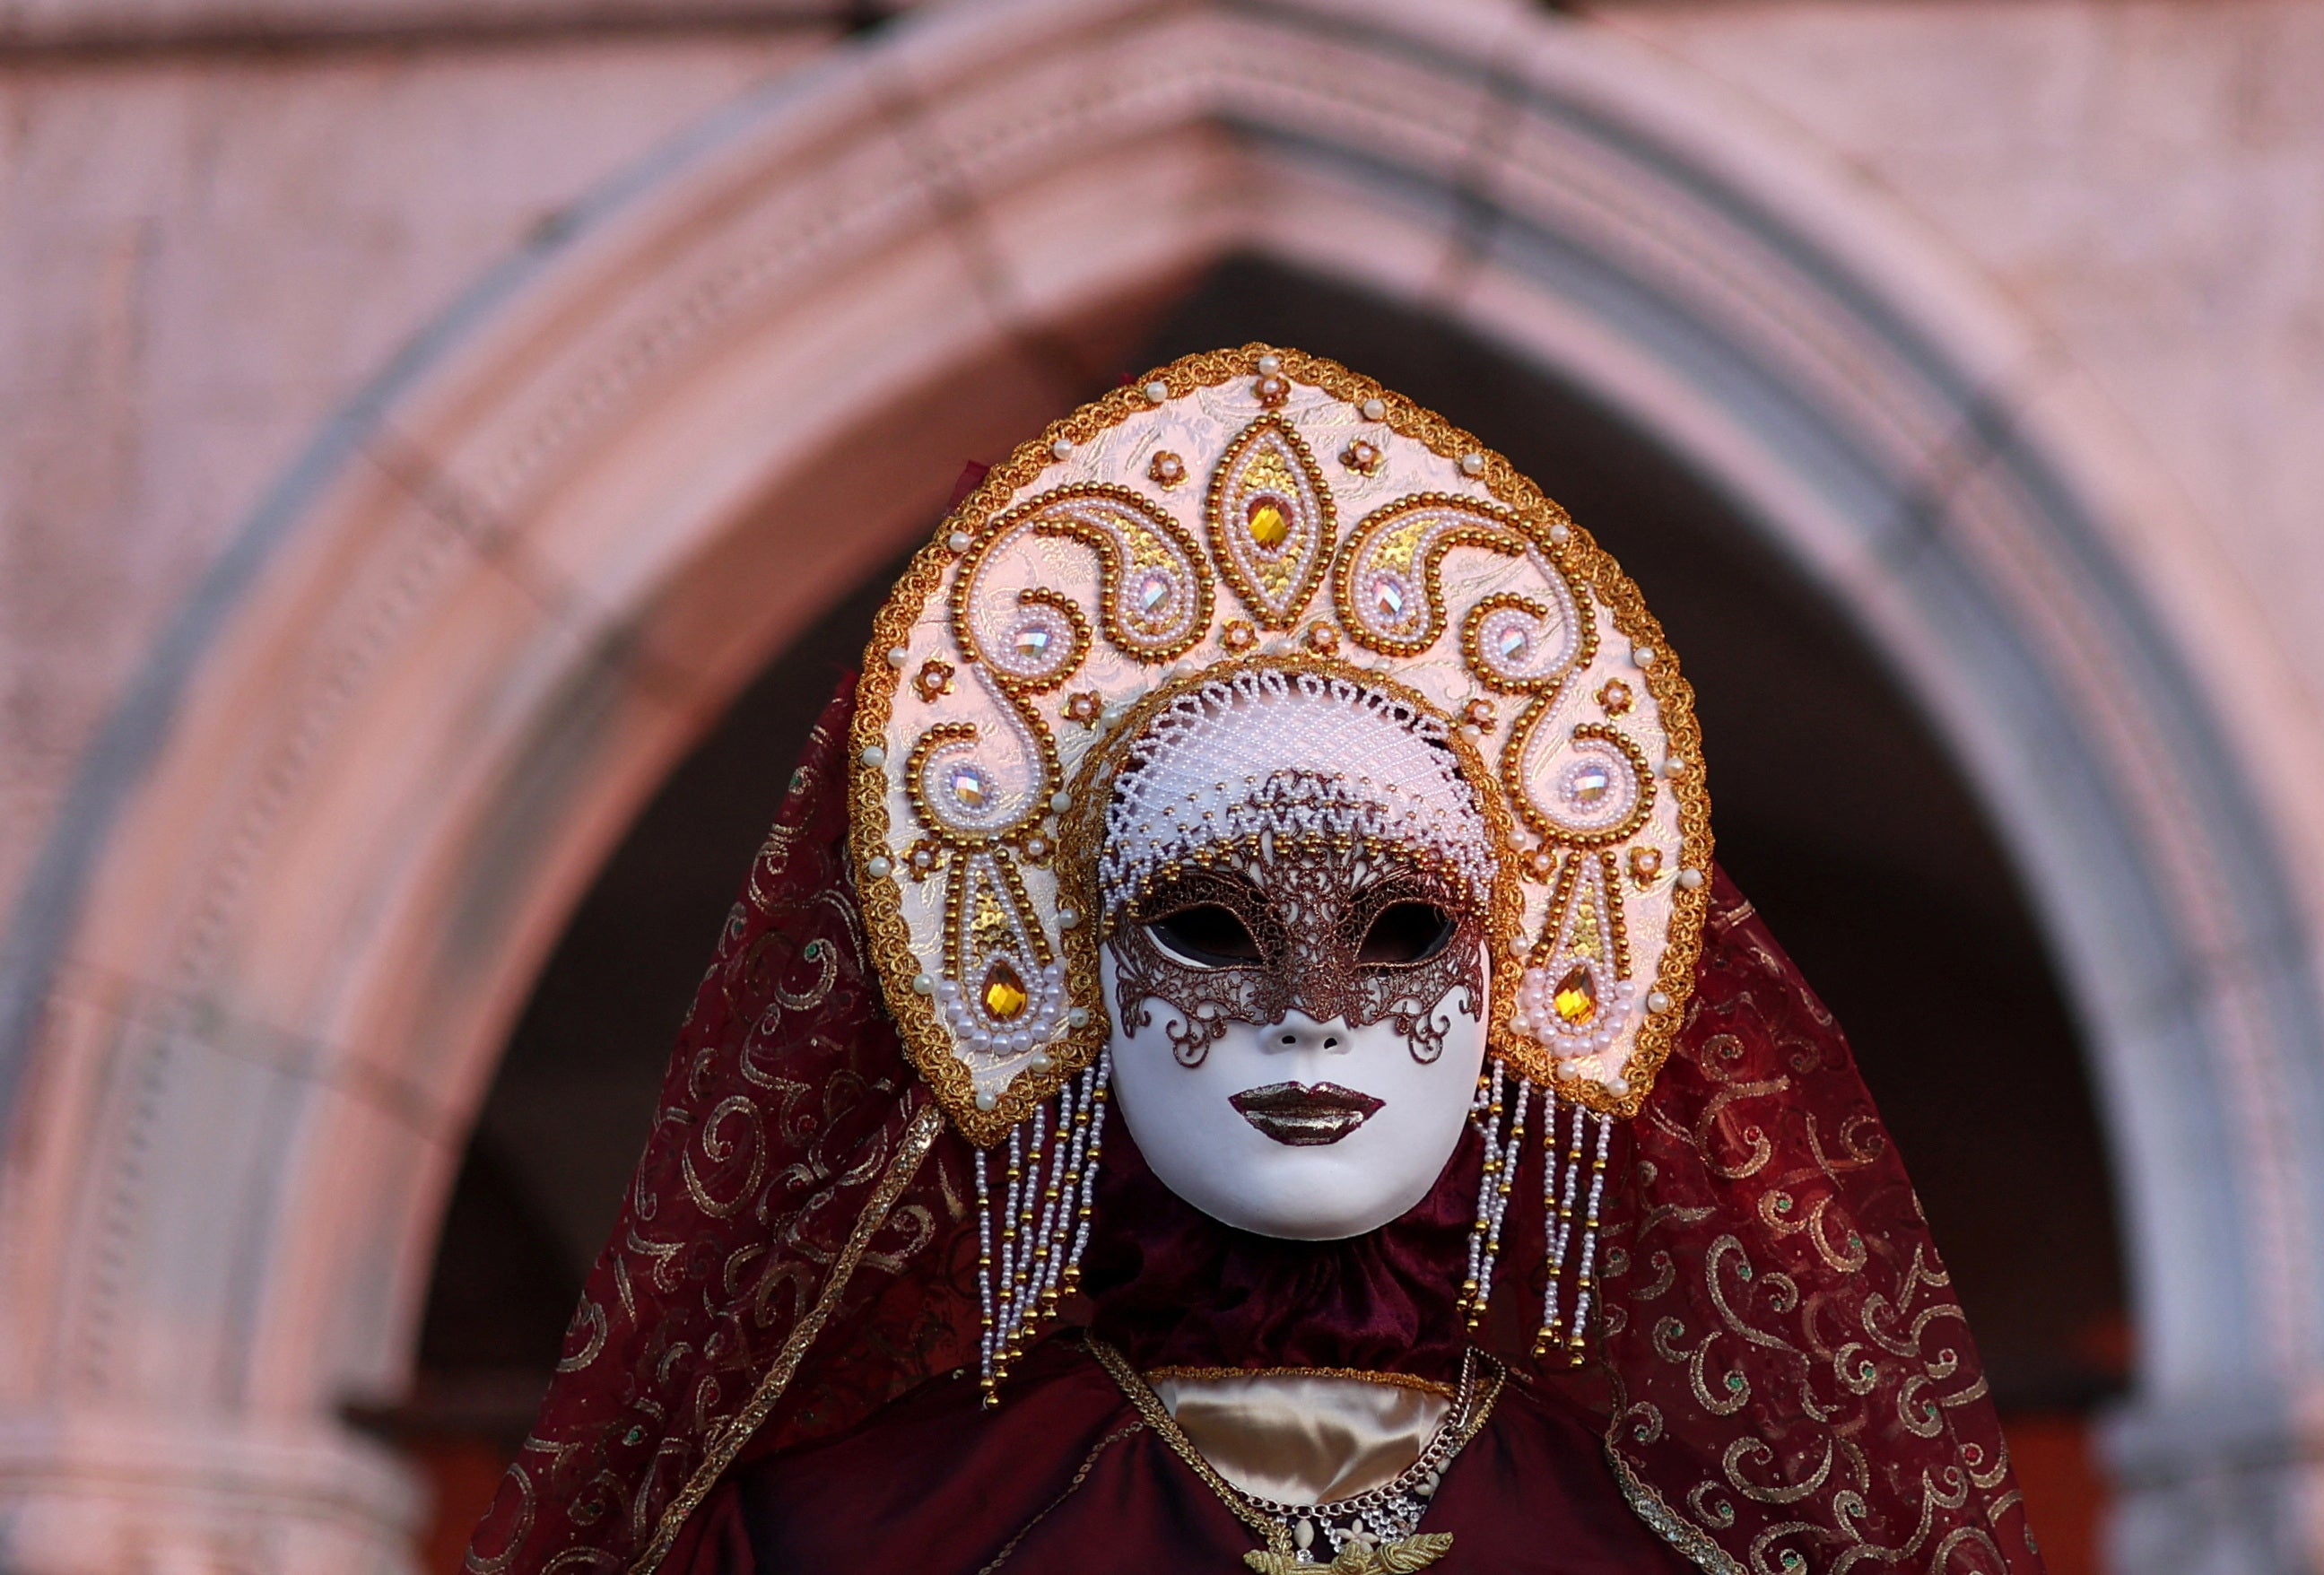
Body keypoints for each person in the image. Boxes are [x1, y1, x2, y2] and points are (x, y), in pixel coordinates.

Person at [462, 347, 2044, 1575]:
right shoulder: (845, 1545)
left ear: (1524, 989)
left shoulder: (1675, 1552)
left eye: (1401, 934)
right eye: (1208, 932)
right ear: (1055, 980)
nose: (1308, 1016)